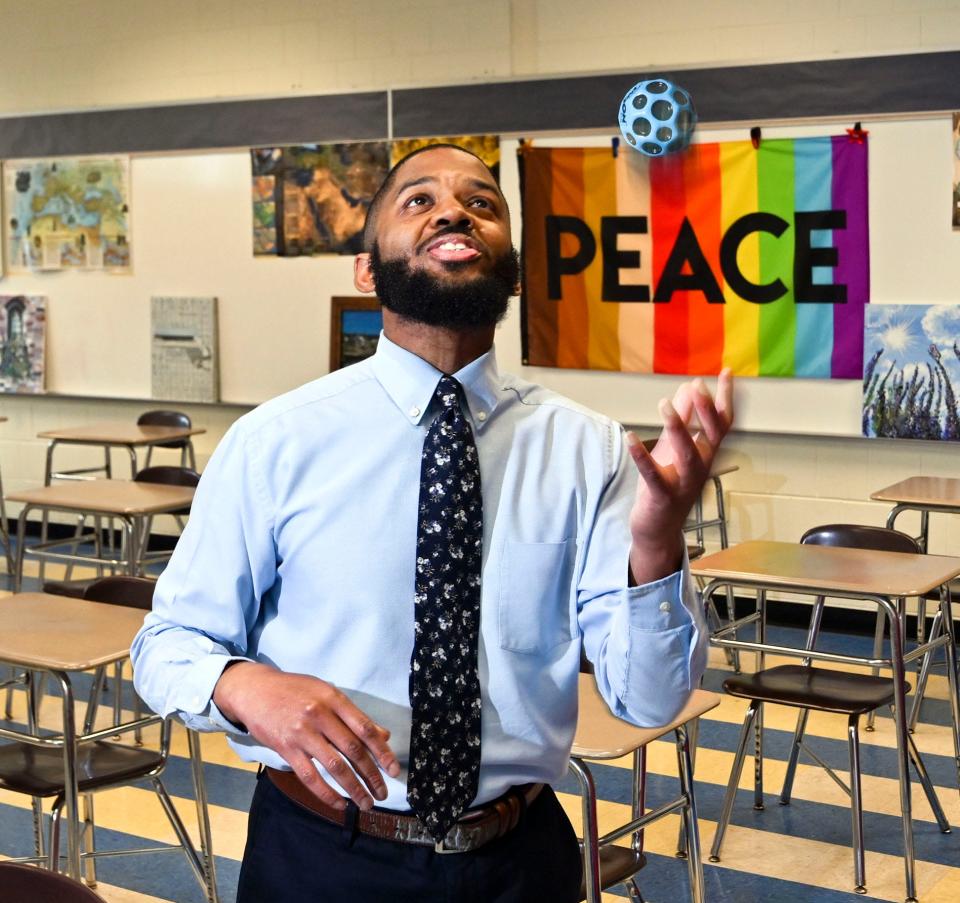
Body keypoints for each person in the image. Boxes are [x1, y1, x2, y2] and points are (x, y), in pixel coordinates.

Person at [131, 143, 733, 903]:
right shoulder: (275, 441)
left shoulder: (589, 450)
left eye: (483, 202)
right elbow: (165, 645)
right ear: (364, 267)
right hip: (321, 855)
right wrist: (247, 684)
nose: (454, 209)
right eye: (418, 200)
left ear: (513, 264)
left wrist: (654, 546)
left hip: (518, 861)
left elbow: (648, 700)